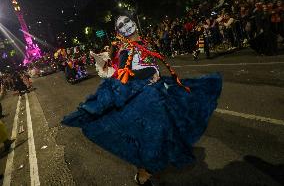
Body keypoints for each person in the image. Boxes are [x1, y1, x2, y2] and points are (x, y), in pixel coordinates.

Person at [62, 15, 222, 186]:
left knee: (170, 126)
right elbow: (125, 76)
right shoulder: (126, 50)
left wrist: (155, 75)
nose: (127, 26)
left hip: (157, 93)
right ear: (120, 32)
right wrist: (148, 75)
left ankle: (148, 167)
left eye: (127, 21)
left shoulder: (141, 44)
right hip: (144, 100)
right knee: (152, 136)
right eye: (122, 25)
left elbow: (148, 67)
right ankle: (144, 174)